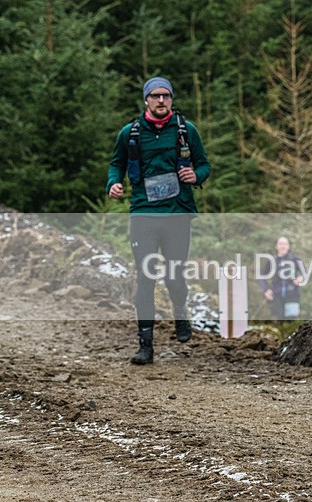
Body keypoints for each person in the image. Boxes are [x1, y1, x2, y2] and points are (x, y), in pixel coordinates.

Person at [106, 76, 211, 365]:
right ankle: (145, 345)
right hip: (143, 213)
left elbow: (204, 164)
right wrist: (113, 183)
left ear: (172, 99)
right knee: (146, 278)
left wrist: (196, 175)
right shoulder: (130, 133)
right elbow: (116, 164)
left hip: (177, 213)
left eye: (166, 95)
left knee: (174, 276)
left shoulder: (186, 130)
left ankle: (180, 311)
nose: (161, 100)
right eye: (155, 95)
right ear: (146, 100)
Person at [258, 235, 305, 321]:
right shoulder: (272, 261)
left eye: (285, 244)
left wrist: (301, 278)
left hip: (292, 294)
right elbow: (262, 276)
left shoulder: (295, 259)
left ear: (289, 246)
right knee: (280, 321)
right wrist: (265, 290)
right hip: (276, 295)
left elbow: (305, 273)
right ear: (276, 246)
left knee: (291, 321)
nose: (283, 246)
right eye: (280, 244)